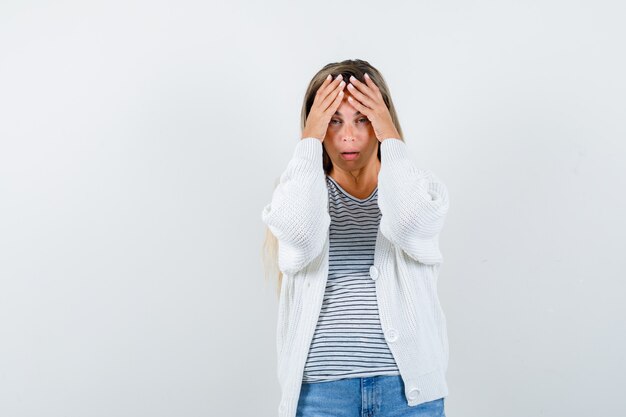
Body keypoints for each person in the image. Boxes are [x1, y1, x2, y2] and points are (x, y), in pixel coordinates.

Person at [261, 59, 450, 417]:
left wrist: (391, 137)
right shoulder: (296, 193)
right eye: (333, 121)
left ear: (382, 120)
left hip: (407, 395)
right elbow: (301, 239)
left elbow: (410, 225)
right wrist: (308, 142)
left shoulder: (418, 189)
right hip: (320, 396)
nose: (348, 135)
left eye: (362, 119)